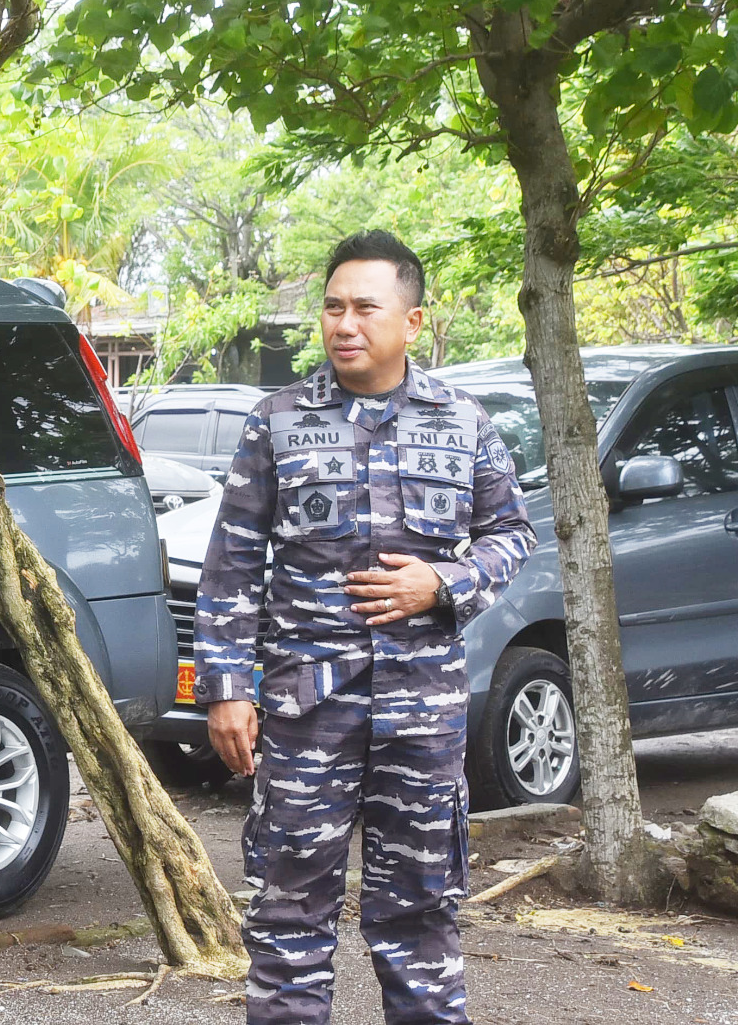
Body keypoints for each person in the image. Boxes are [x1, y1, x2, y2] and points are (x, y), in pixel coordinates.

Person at [195, 230, 535, 1025]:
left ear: (411, 321)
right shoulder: (276, 421)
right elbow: (232, 564)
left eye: (364, 308)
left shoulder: (462, 420)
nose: (345, 324)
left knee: (420, 918)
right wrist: (225, 691)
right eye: (332, 307)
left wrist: (440, 581)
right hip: (306, 710)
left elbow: (512, 534)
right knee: (286, 920)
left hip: (423, 714)